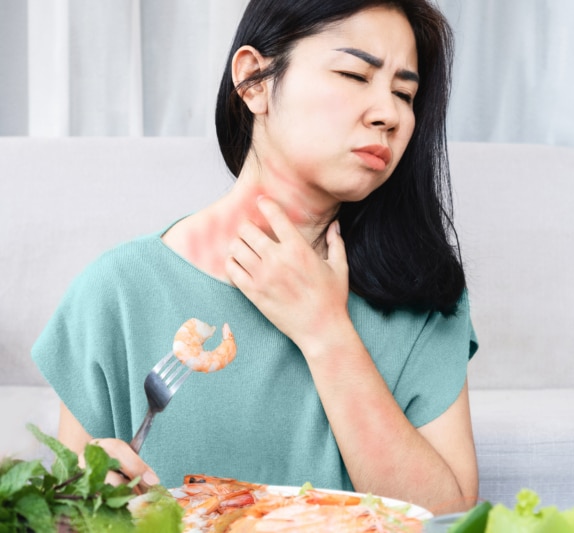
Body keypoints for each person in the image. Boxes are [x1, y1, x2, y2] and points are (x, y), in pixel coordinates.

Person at [32, 0, 478, 515]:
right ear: (254, 80)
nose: (390, 114)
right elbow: (65, 517)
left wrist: (327, 334)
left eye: (405, 93)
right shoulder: (116, 291)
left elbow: (450, 520)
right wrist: (88, 498)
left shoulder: (425, 294)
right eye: (355, 74)